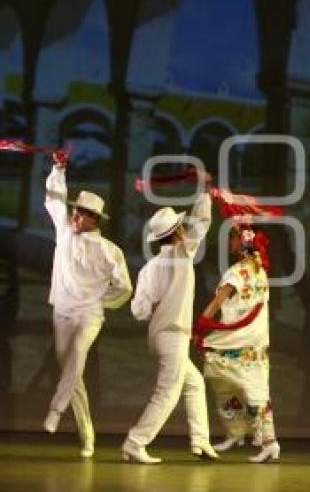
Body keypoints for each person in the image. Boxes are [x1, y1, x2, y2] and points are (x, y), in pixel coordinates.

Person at [122, 177, 218, 463]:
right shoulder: (180, 254)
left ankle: (201, 441)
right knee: (166, 394)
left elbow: (138, 310)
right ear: (176, 232)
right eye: (180, 228)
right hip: (173, 335)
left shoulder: (149, 267)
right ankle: (134, 442)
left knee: (194, 383)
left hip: (159, 336)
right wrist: (204, 193)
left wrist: (156, 305)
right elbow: (201, 223)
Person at [42, 151, 132, 458]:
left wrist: (102, 302)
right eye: (74, 211)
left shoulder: (110, 251)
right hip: (62, 311)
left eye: (81, 213)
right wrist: (59, 167)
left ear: (94, 218)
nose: (74, 216)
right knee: (72, 372)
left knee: (79, 354)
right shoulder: (64, 233)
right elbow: (54, 199)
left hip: (89, 314)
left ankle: (56, 409)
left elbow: (125, 287)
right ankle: (88, 435)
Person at [196, 226, 279, 463]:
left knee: (252, 390)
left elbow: (217, 301)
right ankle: (237, 431)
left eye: (232, 237)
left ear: (243, 243)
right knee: (223, 379)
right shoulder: (260, 270)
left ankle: (270, 442)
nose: (229, 242)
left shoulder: (238, 272)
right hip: (253, 337)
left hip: (241, 337)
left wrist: (201, 325)